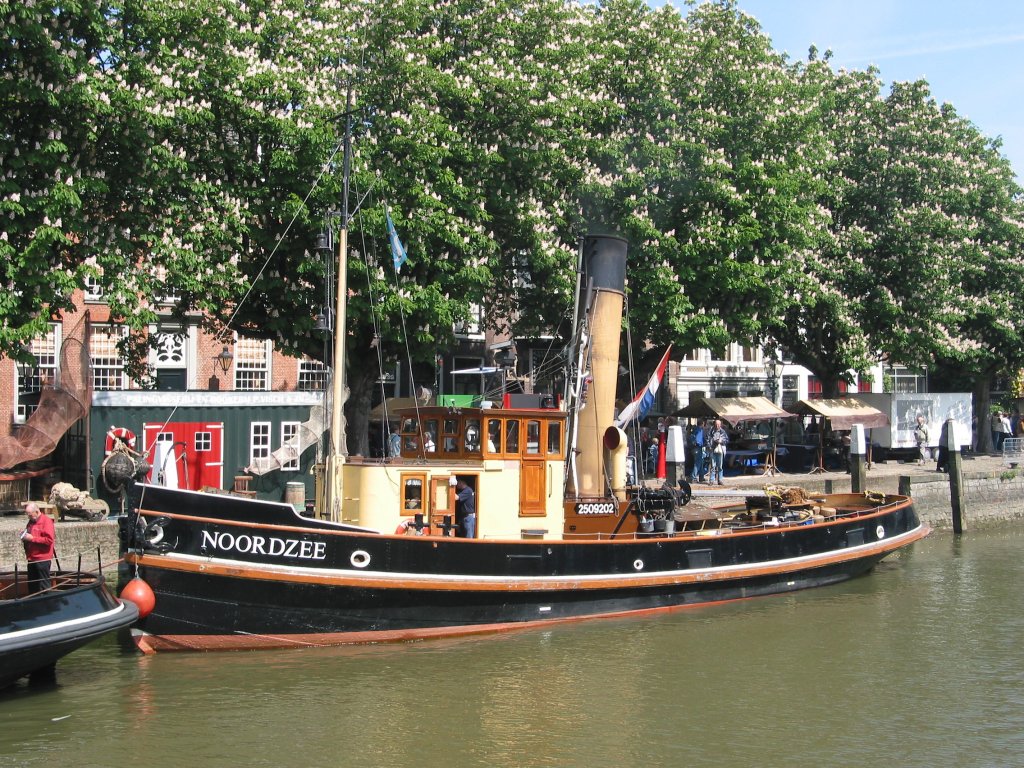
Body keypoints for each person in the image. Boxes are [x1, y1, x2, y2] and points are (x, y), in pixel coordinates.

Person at [21, 502, 55, 594]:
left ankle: (47, 603)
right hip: (32, 557)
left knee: (44, 584)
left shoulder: (46, 522)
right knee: (32, 584)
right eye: (28, 516)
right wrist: (24, 536)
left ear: (37, 511)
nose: (29, 517)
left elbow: (49, 540)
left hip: (42, 558)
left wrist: (32, 538)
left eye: (30, 515)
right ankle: (33, 603)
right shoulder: (31, 522)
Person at [707, 419, 730, 486]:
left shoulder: (723, 432)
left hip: (720, 450)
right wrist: (710, 446)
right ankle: (712, 480)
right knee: (712, 466)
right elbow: (707, 439)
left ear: (721, 425)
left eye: (719, 424)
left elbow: (726, 440)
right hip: (712, 450)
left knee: (720, 466)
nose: (717, 426)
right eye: (716, 424)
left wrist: (721, 441)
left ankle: (720, 480)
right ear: (714, 424)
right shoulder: (711, 431)